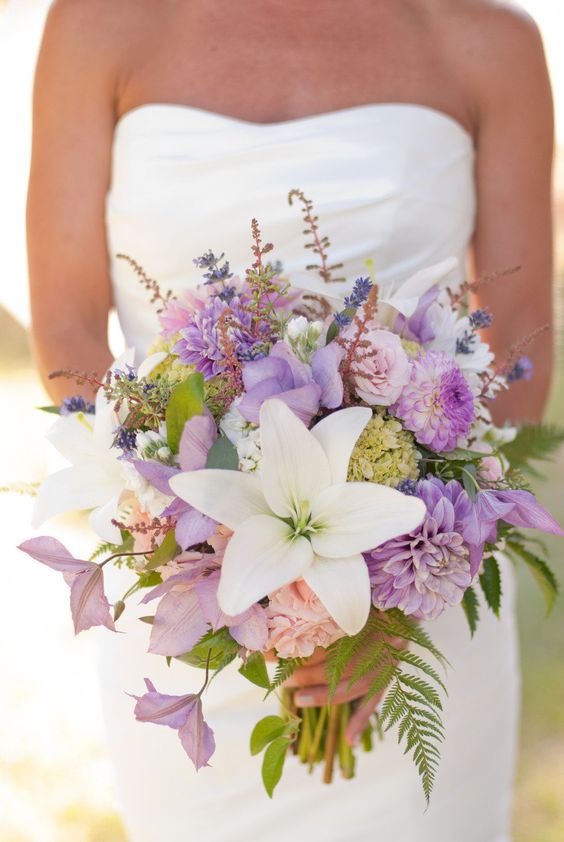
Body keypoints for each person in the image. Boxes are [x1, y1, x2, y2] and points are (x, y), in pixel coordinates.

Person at [26, 1, 554, 840]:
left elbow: (522, 348)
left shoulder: (491, 41)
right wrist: (190, 532)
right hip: (189, 594)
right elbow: (68, 324)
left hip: (412, 606)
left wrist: (389, 606)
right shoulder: (97, 25)